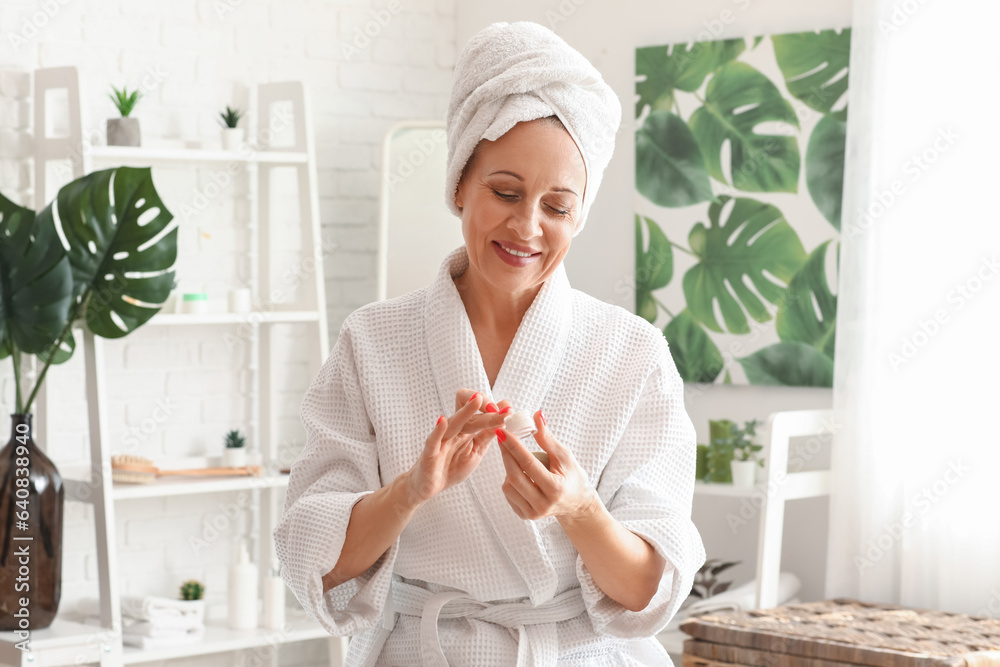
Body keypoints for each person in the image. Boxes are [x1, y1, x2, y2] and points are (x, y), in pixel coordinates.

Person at [274, 21, 706, 666]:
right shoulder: (373, 340)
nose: (527, 226)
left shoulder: (632, 353)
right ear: (458, 185)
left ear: (579, 216)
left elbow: (651, 590)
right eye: (504, 192)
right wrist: (410, 490)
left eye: (557, 208)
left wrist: (579, 509)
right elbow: (313, 556)